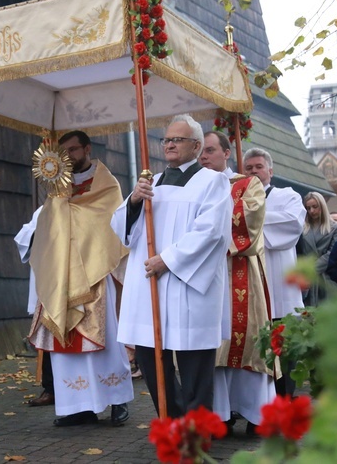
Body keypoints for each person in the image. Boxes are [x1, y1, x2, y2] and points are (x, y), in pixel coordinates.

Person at [111, 114, 232, 417]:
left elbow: (212, 231)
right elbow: (121, 229)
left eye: (177, 139)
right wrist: (135, 202)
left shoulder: (213, 181)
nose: (169, 145)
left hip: (186, 285)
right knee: (150, 357)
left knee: (194, 365)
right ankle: (173, 421)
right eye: (166, 139)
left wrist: (168, 260)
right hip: (149, 283)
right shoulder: (150, 183)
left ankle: (196, 432)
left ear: (196, 145)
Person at [24, 131, 133, 427]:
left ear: (87, 149)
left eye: (74, 149)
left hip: (95, 272)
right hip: (62, 274)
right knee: (66, 345)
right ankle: (79, 407)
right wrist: (59, 203)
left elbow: (110, 224)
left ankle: (117, 401)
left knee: (106, 339)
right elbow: (48, 224)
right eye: (65, 151)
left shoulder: (107, 184)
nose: (69, 155)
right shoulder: (57, 188)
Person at [199, 131, 276, 435]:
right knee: (214, 347)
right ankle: (220, 415)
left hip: (240, 270)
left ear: (227, 153)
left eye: (209, 150)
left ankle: (257, 415)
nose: (203, 157)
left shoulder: (247, 184)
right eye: (200, 152)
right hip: (206, 274)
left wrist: (208, 226)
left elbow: (249, 220)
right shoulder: (196, 187)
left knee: (249, 342)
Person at [243, 147, 306, 397]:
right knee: (258, 350)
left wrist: (252, 219)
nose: (254, 171)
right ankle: (260, 406)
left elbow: (291, 224)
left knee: (283, 349)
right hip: (251, 283)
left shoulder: (287, 195)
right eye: (248, 168)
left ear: (270, 169)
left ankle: (284, 401)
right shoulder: (241, 198)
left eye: (259, 166)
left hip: (280, 286)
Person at [14, 207, 56, 408]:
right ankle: (50, 388)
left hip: (76, 281)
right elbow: (24, 236)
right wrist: (40, 232)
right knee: (49, 334)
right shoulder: (44, 209)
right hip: (48, 279)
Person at [297, 192, 337, 306]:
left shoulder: (335, 227)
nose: (311, 211)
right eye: (308, 208)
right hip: (306, 279)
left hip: (326, 278)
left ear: (322, 206)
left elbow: (333, 253)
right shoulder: (301, 226)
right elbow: (298, 252)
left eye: (315, 206)